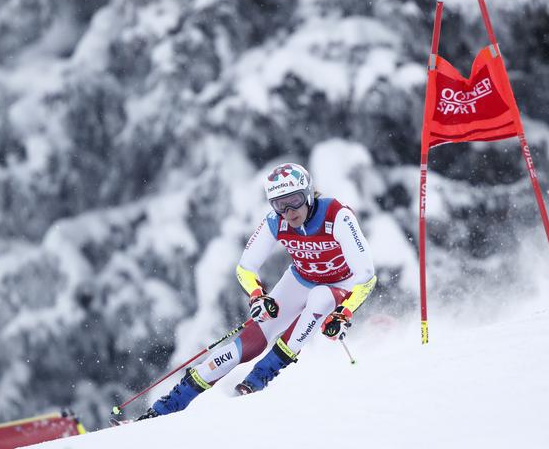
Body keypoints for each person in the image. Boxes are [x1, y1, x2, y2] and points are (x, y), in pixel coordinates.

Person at [137, 162, 377, 419]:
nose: (289, 212)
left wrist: (344, 312)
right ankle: (166, 407)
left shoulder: (336, 216)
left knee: (319, 300)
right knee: (250, 341)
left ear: (308, 194)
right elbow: (246, 267)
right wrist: (257, 295)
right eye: (279, 204)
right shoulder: (276, 222)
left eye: (295, 201)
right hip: (301, 279)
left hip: (339, 284)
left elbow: (366, 275)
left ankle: (257, 380)